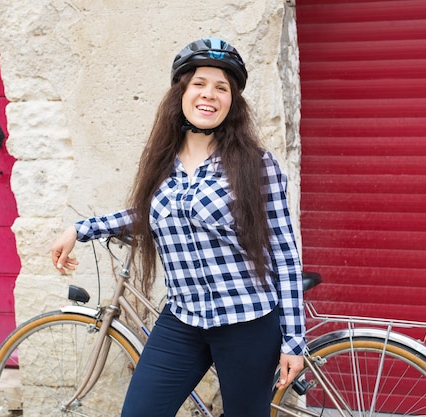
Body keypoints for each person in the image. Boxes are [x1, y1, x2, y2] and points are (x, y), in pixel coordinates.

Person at [51, 37, 305, 417]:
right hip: (183, 319)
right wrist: (80, 229)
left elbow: (284, 255)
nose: (209, 94)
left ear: (232, 101)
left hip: (247, 321)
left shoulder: (256, 165)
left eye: (222, 87)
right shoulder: (162, 162)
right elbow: (147, 213)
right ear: (181, 92)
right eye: (199, 83)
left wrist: (294, 341)